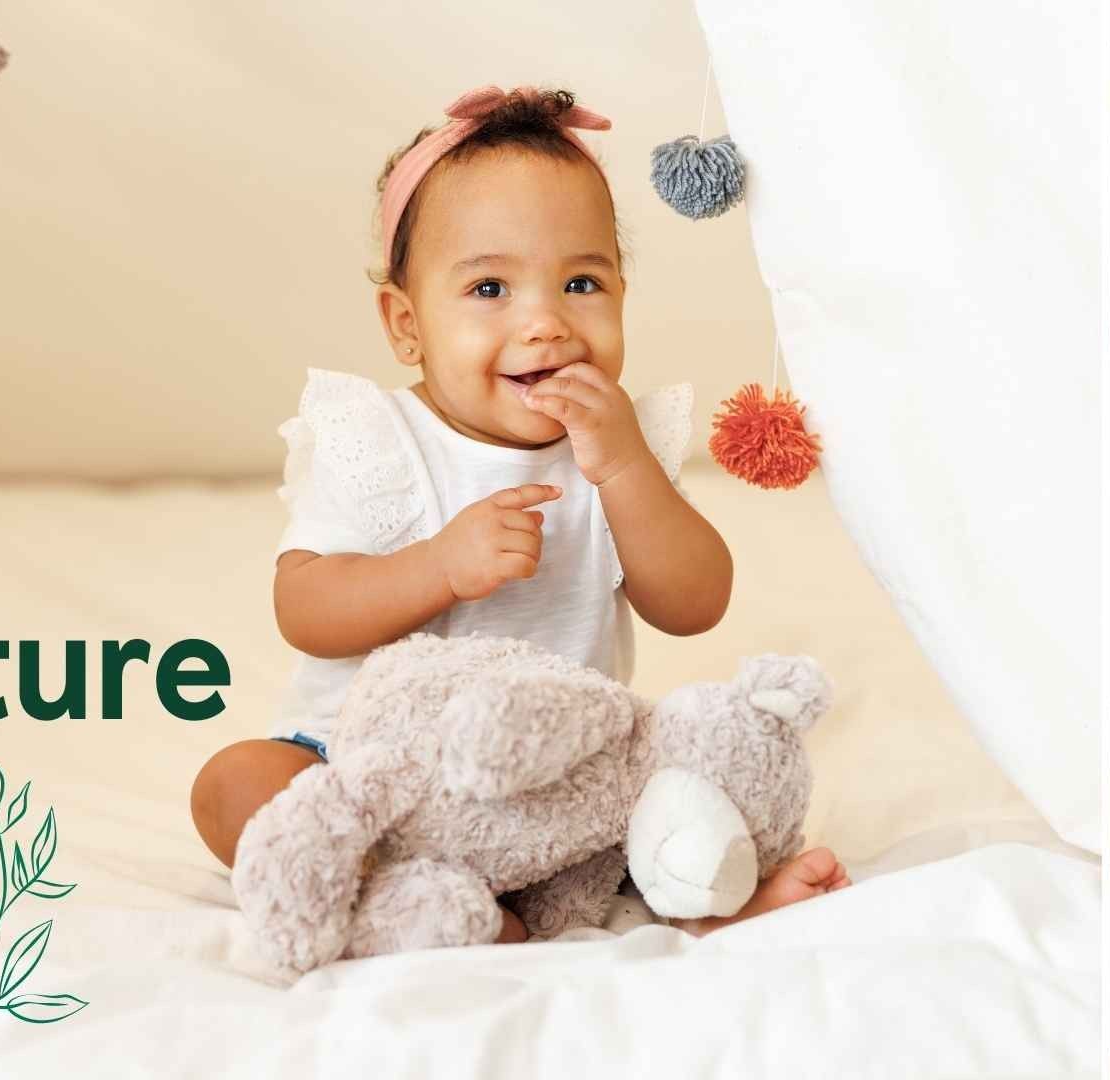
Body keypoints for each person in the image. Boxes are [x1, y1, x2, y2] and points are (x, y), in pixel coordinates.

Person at [191, 84, 849, 945]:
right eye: (491, 288)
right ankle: (410, 899)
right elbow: (305, 608)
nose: (544, 324)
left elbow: (695, 604)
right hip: (381, 773)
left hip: (567, 788)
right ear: (406, 325)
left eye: (581, 282)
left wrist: (622, 468)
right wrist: (434, 568)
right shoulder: (380, 442)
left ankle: (711, 897)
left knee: (688, 774)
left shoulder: (616, 450)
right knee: (234, 784)